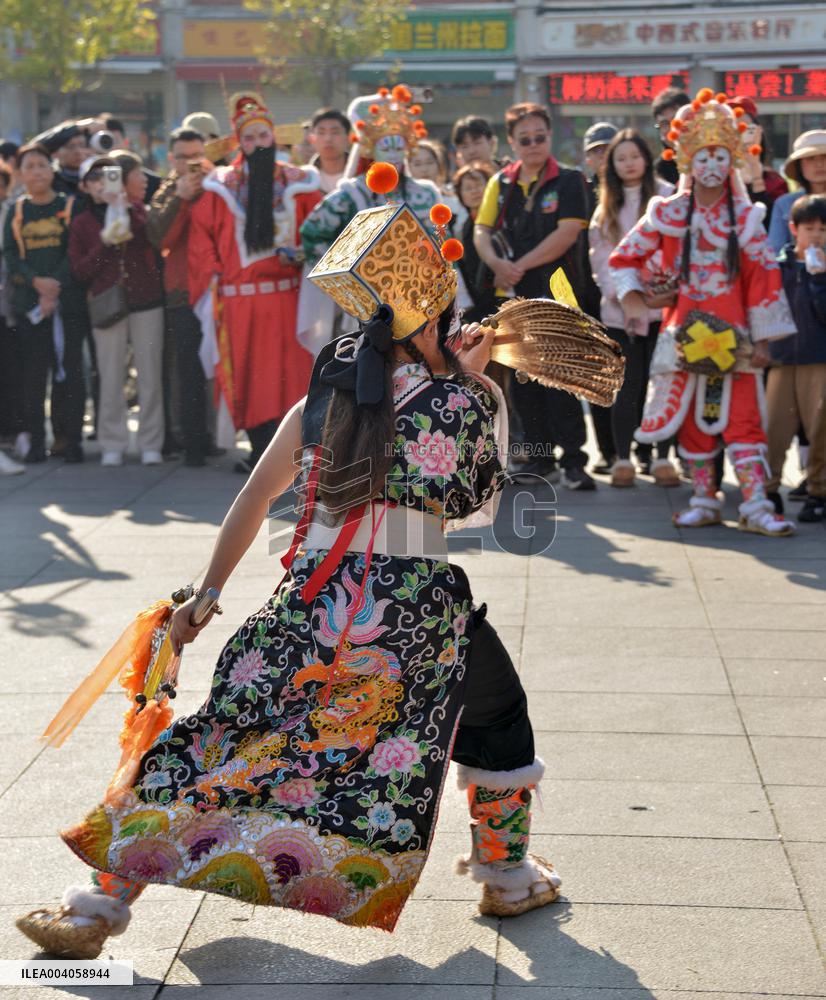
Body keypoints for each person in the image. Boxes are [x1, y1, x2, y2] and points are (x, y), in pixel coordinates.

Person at [15, 166, 559, 960]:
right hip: (415, 612)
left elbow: (250, 501)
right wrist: (469, 384)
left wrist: (206, 594)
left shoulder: (321, 402)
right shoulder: (464, 400)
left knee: (225, 738)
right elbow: (474, 505)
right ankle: (507, 878)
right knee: (498, 714)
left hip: (311, 598)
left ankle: (98, 906)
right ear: (431, 321)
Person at [610, 88, 797, 535]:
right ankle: (702, 498)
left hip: (736, 335)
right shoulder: (668, 213)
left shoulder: (746, 218)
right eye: (703, 158)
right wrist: (643, 298)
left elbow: (764, 280)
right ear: (687, 161)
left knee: (744, 419)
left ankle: (754, 503)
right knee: (693, 419)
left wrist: (766, 339)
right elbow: (623, 257)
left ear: (731, 161)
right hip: (685, 334)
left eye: (719, 158)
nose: (711, 167)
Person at [188, 92, 319, 474]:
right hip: (238, 301)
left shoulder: (301, 184)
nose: (257, 144)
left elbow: (321, 233)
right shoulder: (219, 187)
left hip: (289, 298)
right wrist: (215, 281)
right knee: (248, 375)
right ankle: (259, 450)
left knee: (292, 376)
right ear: (237, 142)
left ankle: (296, 452)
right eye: (249, 137)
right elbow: (202, 243)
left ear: (275, 137)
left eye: (263, 136)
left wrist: (305, 254)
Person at [473, 102, 594, 490]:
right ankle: (541, 460)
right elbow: (481, 230)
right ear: (511, 141)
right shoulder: (500, 183)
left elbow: (568, 233)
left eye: (540, 137)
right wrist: (496, 263)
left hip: (557, 292)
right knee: (522, 380)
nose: (533, 145)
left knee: (561, 376)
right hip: (510, 295)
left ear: (550, 136)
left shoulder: (570, 180)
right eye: (524, 139)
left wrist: (519, 264)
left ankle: (574, 460)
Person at [589, 129, 678, 488]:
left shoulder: (668, 197)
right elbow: (601, 261)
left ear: (646, 158)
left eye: (634, 156)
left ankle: (662, 459)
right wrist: (625, 297)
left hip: (666, 309)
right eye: (620, 158)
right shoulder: (605, 206)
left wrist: (662, 292)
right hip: (619, 313)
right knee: (626, 386)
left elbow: (677, 248)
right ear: (612, 164)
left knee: (665, 382)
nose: (628, 164)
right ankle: (623, 458)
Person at [69, 154, 165, 466]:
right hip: (105, 304)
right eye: (94, 179)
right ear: (85, 186)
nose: (102, 184)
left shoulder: (136, 208)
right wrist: (104, 242)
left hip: (146, 301)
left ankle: (151, 441)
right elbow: (81, 270)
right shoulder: (82, 222)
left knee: (150, 375)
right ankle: (112, 441)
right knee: (110, 376)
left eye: (107, 176)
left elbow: (147, 237)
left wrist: (121, 206)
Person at [4, 143, 87, 464]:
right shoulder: (17, 211)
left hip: (67, 306)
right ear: (21, 174)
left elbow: (74, 251)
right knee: (34, 379)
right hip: (30, 307)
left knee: (70, 374)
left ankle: (69, 440)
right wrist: (37, 283)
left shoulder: (70, 206)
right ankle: (37, 442)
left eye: (42, 165)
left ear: (51, 169)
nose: (37, 171)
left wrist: (55, 285)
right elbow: (11, 256)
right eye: (30, 166)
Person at [300, 85, 441, 272]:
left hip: (414, 289)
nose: (393, 156)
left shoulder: (425, 194)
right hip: (365, 292)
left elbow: (441, 245)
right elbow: (312, 234)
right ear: (371, 151)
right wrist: (341, 272)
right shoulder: (351, 194)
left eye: (398, 149)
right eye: (386, 148)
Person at [147, 127, 215, 467]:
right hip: (182, 295)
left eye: (196, 156)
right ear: (171, 159)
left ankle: (218, 437)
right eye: (183, 157)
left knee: (219, 369)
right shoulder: (166, 190)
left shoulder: (219, 185)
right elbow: (158, 237)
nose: (191, 163)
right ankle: (194, 444)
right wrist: (181, 198)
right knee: (187, 371)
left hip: (217, 290)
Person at [766, 195, 826, 523]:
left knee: (820, 429)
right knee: (775, 427)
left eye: (822, 229)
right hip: (782, 358)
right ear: (793, 229)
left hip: (819, 359)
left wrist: (819, 279)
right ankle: (769, 489)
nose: (815, 235)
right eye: (809, 228)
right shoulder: (777, 267)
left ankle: (818, 491)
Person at [294, 108, 351, 356]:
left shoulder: (364, 178)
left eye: (336, 132)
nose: (328, 139)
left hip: (357, 279)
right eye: (322, 132)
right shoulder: (300, 182)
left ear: (349, 136)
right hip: (313, 278)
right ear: (312, 137)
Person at [581, 121, 619, 474]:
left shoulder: (640, 191)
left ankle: (639, 450)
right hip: (589, 300)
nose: (602, 157)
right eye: (595, 151)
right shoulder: (580, 190)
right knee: (598, 378)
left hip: (629, 299)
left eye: (608, 149)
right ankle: (608, 451)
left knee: (636, 378)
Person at [726, 96, 787, 229]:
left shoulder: (775, 183)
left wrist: (755, 173)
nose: (741, 140)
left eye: (748, 131)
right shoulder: (706, 180)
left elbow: (773, 225)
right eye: (733, 131)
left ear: (759, 134)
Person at [453, 161, 498, 324]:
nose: (475, 192)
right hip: (480, 305)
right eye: (468, 188)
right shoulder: (462, 229)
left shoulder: (502, 220)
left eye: (479, 185)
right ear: (460, 195)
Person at [768, 130, 826, 254]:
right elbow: (775, 251)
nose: (820, 164)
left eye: (825, 157)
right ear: (799, 166)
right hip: (796, 272)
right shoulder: (784, 204)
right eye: (811, 159)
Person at [651, 87, 690, 186]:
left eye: (676, 120)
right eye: (664, 124)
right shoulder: (657, 171)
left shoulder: (712, 157)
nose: (672, 128)